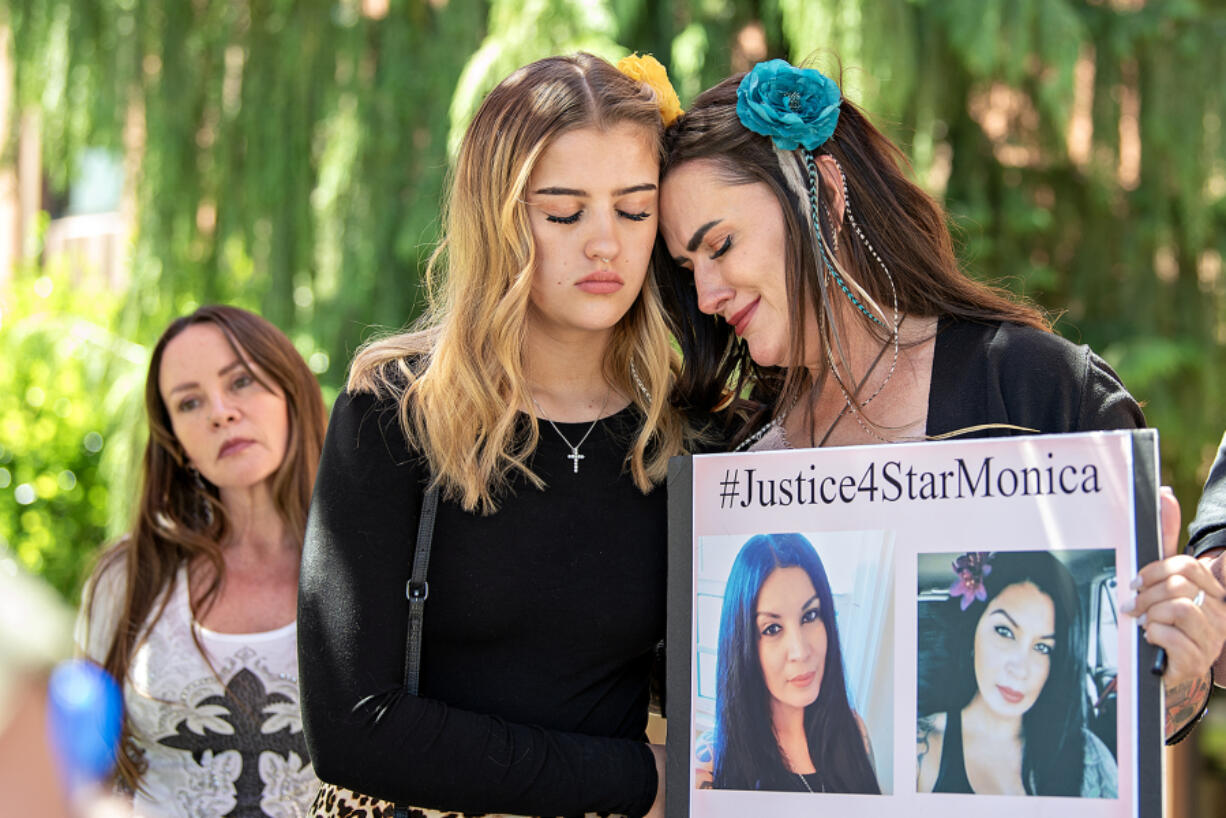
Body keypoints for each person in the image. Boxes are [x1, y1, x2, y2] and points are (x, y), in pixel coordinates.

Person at [655, 58, 1225, 739]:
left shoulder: (1035, 388)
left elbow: (1140, 718)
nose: (707, 296)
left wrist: (1184, 667)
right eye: (689, 270)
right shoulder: (724, 456)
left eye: (720, 245)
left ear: (824, 195)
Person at [298, 53, 696, 818]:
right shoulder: (395, 410)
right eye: (565, 212)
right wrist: (638, 780)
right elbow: (352, 728)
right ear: (497, 216)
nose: (606, 243)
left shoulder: (685, 428)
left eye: (635, 209)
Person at [76, 305, 327, 817]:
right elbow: (80, 769)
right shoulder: (128, 578)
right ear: (179, 445)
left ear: (290, 395)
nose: (219, 411)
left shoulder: (378, 564)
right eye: (189, 402)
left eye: (240, 382)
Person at [916, 551, 1115, 797]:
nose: (1020, 669)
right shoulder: (918, 749)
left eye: (1042, 648)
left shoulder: (1091, 759)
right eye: (1004, 632)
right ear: (972, 633)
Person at [700, 533, 879, 793]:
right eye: (772, 629)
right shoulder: (709, 763)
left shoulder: (852, 729)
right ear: (743, 645)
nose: (800, 651)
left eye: (810, 616)